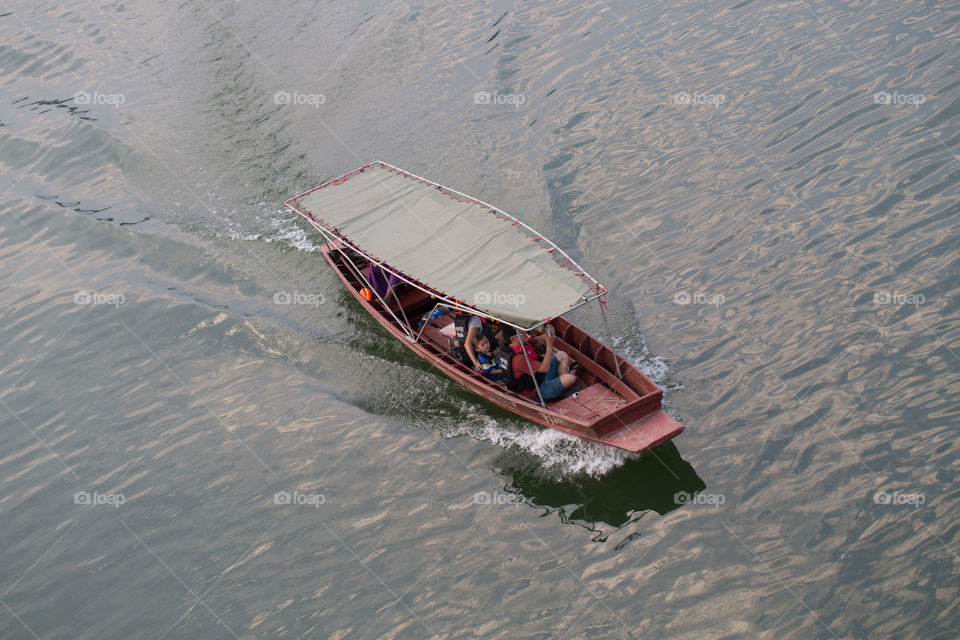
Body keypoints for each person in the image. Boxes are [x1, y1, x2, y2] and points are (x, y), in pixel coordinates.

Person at [505, 326, 576, 401]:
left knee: (562, 354)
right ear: (513, 339)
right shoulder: (518, 359)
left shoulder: (520, 344)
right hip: (536, 391)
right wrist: (549, 344)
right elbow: (544, 369)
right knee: (571, 378)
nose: (526, 334)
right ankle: (558, 386)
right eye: (522, 333)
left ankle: (560, 386)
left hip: (540, 378)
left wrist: (549, 332)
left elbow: (539, 339)